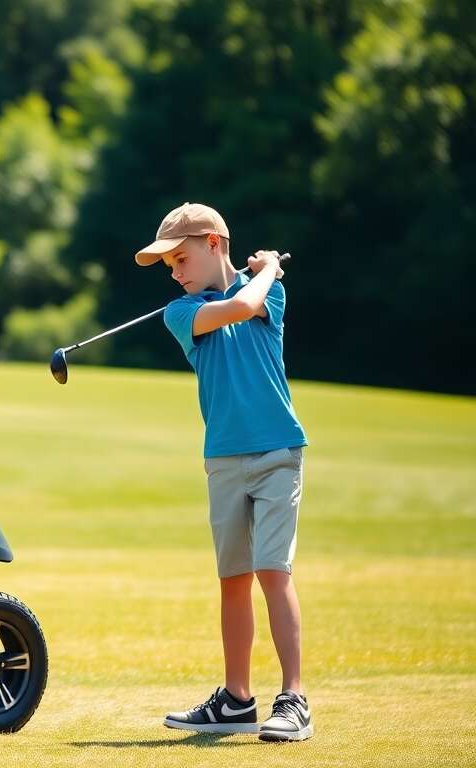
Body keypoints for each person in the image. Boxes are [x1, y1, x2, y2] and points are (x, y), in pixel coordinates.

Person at [134, 202, 313, 742]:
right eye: (169, 266)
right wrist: (268, 270)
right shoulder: (181, 313)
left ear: (214, 243)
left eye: (182, 258)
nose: (176, 272)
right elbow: (236, 308)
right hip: (224, 460)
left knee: (271, 573)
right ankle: (237, 700)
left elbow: (252, 302)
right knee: (232, 579)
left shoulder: (270, 296)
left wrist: (267, 277)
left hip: (278, 452)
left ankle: (294, 699)